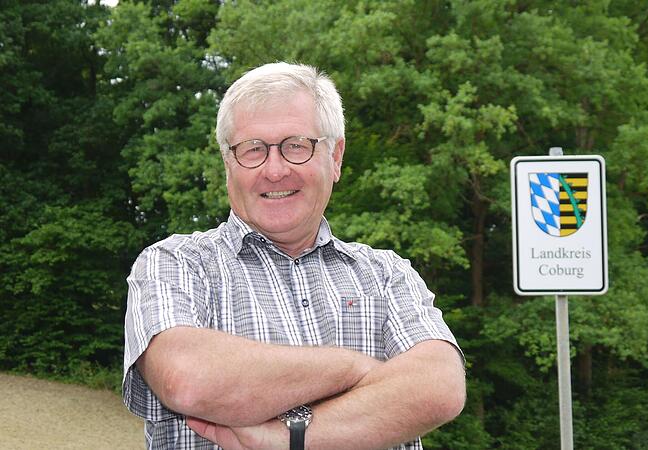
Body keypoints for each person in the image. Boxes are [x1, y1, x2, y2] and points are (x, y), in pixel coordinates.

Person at [123, 62, 466, 450]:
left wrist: (288, 438)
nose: (274, 169)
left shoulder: (386, 274)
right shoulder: (174, 264)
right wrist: (357, 369)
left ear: (335, 157)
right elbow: (187, 378)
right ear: (227, 165)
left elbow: (440, 386)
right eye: (252, 149)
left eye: (296, 146)